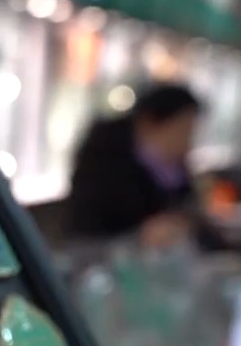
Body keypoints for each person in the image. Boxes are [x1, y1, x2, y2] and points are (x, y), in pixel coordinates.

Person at [65, 83, 203, 247]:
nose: (187, 142)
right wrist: (141, 236)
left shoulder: (175, 171)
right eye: (181, 131)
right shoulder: (104, 165)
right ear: (149, 123)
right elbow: (87, 235)